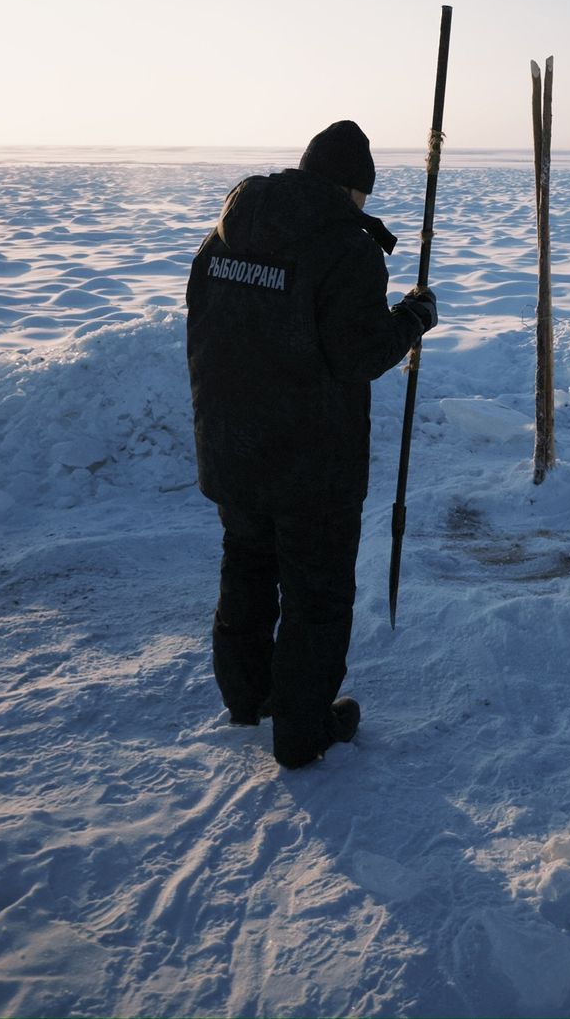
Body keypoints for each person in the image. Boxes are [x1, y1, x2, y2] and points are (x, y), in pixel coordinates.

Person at [186, 120, 437, 769]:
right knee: (315, 597)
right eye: (364, 198)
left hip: (232, 449)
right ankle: (301, 732)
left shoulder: (226, 232)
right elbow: (358, 357)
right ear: (353, 190)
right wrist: (411, 319)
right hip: (309, 467)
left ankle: (248, 699)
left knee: (246, 567)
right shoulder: (345, 249)